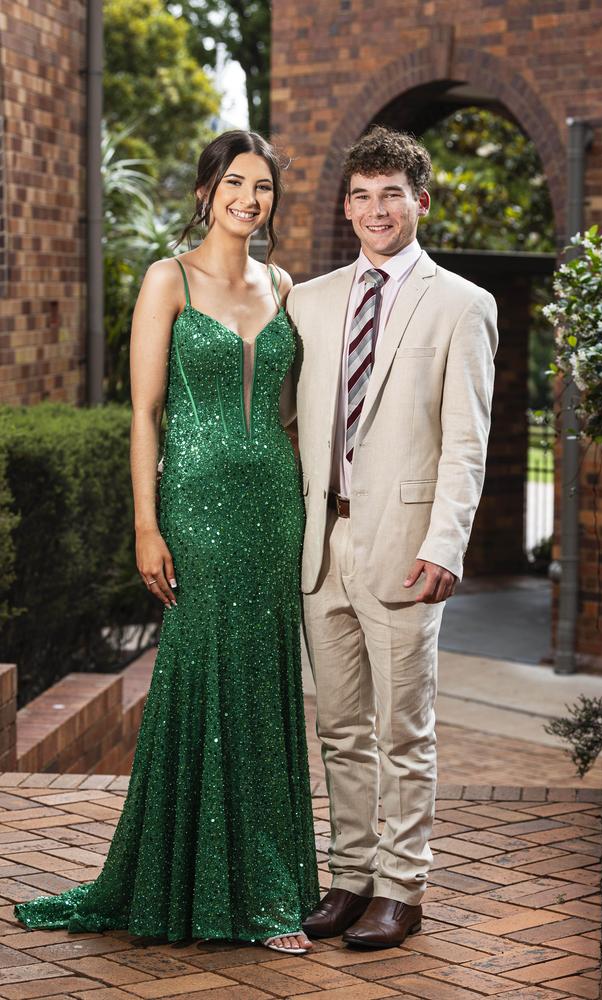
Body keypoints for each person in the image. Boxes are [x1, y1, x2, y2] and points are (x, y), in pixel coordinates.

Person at [14, 130, 319, 954]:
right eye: (235, 183)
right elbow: (145, 415)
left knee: (262, 680)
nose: (248, 199)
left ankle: (264, 881)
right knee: (206, 674)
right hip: (197, 505)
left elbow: (294, 413)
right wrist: (146, 524)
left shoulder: (284, 283)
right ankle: (211, 883)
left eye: (262, 188)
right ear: (206, 188)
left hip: (274, 507)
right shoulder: (167, 279)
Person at [288, 125, 498, 949]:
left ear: (421, 202)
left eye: (392, 195)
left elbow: (466, 441)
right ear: (347, 207)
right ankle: (350, 875)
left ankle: (402, 888)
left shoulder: (462, 304)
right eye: (363, 196)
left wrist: (446, 543)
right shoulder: (307, 301)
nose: (377, 210)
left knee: (403, 729)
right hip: (321, 546)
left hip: (407, 547)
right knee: (339, 729)